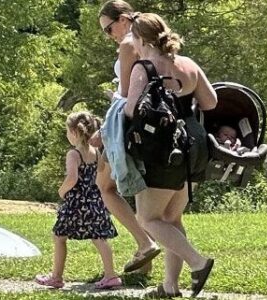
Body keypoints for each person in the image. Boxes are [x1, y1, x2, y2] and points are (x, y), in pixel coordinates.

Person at [123, 12, 217, 298]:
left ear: (141, 40)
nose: (134, 47)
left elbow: (130, 109)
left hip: (163, 149)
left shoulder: (145, 67)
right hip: (194, 146)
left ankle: (198, 263)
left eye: (134, 41)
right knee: (171, 218)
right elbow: (211, 101)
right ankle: (169, 287)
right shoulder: (187, 64)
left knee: (147, 218)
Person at [93, 0, 161, 275]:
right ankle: (144, 263)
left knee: (106, 186)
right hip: (155, 122)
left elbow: (124, 91)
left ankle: (145, 243)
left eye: (109, 29)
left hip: (127, 123)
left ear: (123, 19)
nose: (110, 36)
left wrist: (108, 114)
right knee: (144, 192)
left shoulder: (128, 43)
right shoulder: (152, 39)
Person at [35, 111, 123, 290]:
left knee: (59, 236)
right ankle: (111, 275)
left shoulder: (74, 154)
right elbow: (99, 172)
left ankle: (56, 277)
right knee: (99, 237)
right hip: (95, 201)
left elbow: (72, 178)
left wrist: (62, 191)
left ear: (74, 132)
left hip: (75, 203)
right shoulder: (97, 152)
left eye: (67, 131)